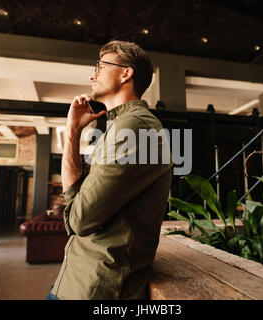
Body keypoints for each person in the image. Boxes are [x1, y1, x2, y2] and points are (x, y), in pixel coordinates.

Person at [48, 40, 172, 299]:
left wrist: (74, 208)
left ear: (127, 73)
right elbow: (78, 198)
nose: (92, 74)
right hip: (77, 282)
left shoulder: (135, 127)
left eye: (100, 66)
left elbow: (79, 220)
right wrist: (73, 131)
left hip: (95, 290)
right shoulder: (120, 127)